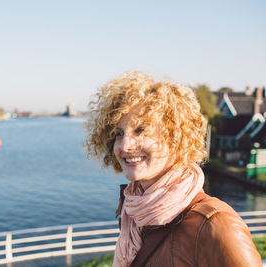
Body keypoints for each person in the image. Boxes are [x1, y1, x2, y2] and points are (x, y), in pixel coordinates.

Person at [85, 70, 262, 267]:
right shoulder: (134, 216)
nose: (125, 145)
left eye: (141, 130)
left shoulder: (216, 226)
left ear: (175, 138)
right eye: (119, 133)